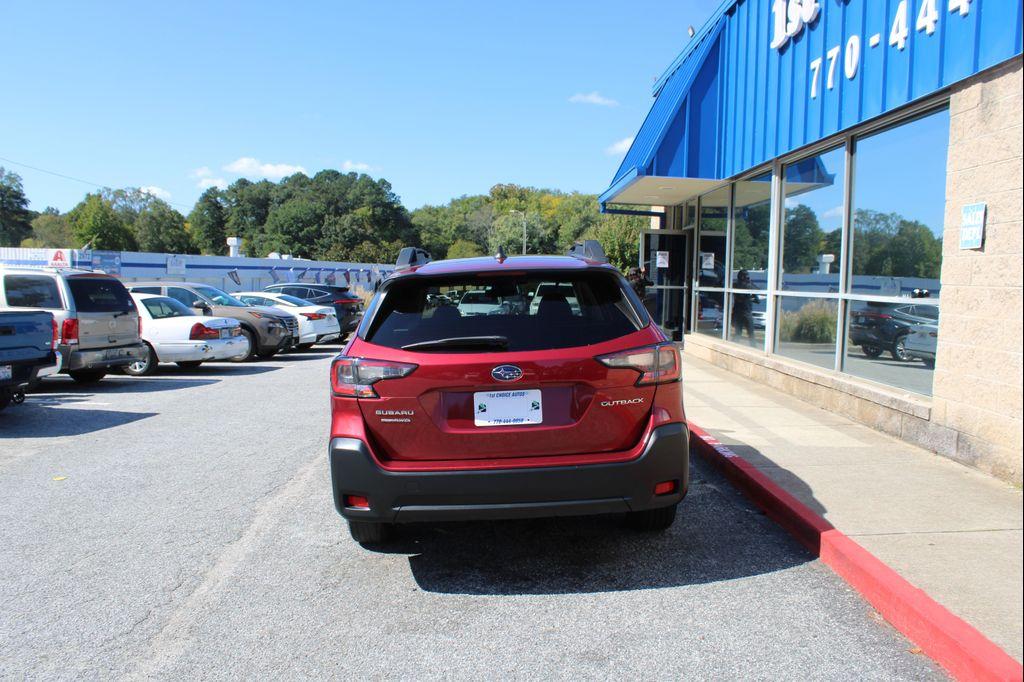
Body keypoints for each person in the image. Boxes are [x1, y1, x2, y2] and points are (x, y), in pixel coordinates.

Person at [731, 269, 759, 345]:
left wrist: (750, 297)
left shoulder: (737, 284)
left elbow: (757, 297)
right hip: (743, 312)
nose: (746, 278)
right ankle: (753, 349)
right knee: (748, 334)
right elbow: (756, 295)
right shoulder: (739, 285)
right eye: (745, 276)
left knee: (740, 333)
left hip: (741, 312)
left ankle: (752, 349)